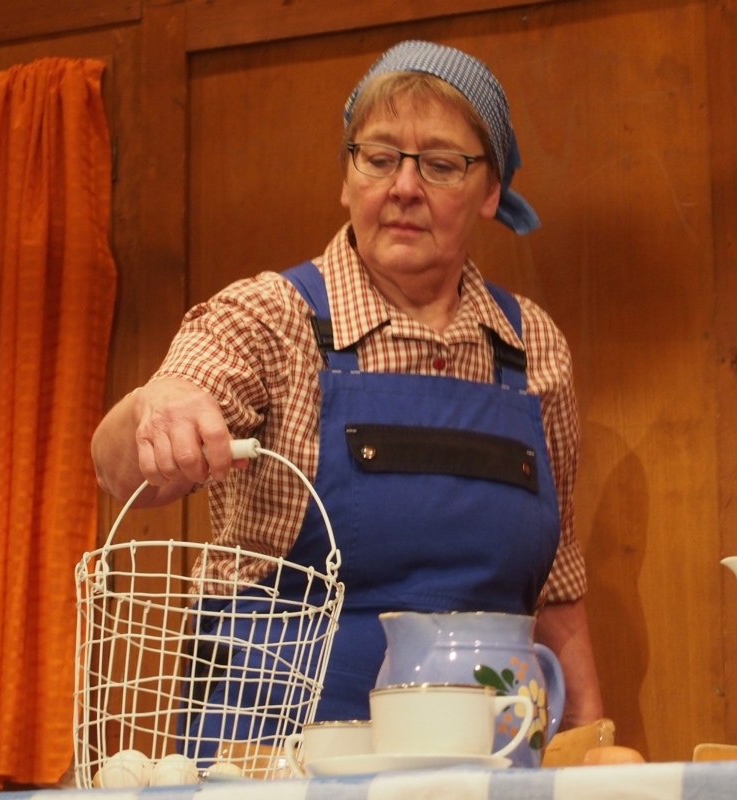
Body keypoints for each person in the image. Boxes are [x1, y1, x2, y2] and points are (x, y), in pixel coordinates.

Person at [91, 40, 603, 745]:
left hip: (485, 761)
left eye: (441, 165)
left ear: (490, 192)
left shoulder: (531, 346)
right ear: (346, 177)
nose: (404, 187)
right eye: (379, 157)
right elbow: (118, 466)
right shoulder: (271, 317)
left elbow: (557, 590)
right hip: (273, 760)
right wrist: (159, 404)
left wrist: (592, 742)